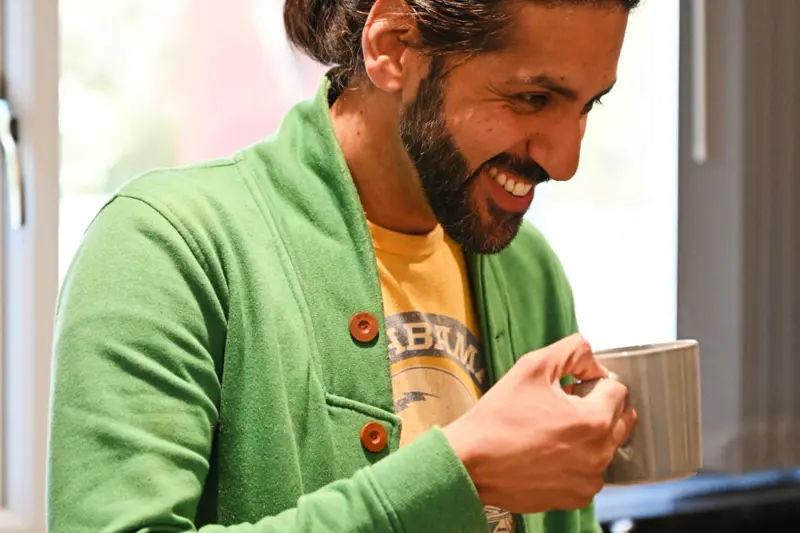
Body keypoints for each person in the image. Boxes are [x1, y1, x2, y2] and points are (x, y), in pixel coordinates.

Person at [47, 0, 639, 532]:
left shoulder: (528, 270)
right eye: (533, 98)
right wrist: (462, 473)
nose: (565, 161)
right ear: (394, 46)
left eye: (588, 105)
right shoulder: (168, 245)